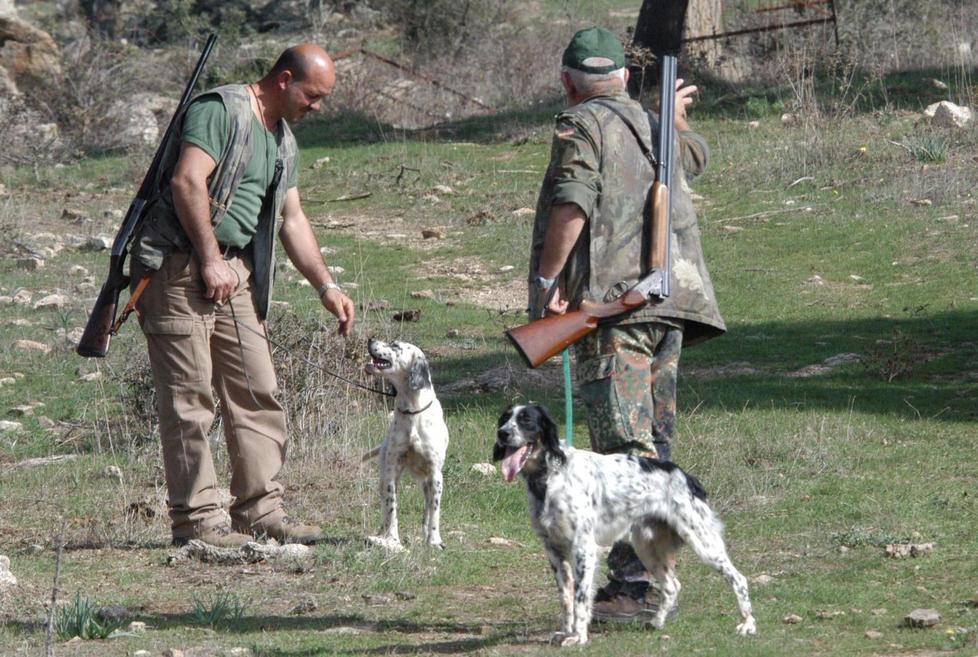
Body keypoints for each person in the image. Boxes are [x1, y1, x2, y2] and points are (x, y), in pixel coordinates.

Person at [527, 27, 725, 622]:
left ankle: (635, 585)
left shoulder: (579, 124)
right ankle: (654, 580)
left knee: (623, 446)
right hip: (669, 303)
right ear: (624, 76)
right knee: (654, 443)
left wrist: (546, 283)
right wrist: (675, 122)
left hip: (617, 306)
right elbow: (696, 159)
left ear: (568, 82)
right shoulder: (652, 122)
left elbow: (573, 200)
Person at [130, 44, 356, 548]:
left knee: (257, 391)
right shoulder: (221, 110)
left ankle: (261, 512)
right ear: (284, 79)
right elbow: (188, 180)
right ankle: (198, 524)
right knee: (190, 401)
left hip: (235, 273)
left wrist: (327, 285)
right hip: (179, 267)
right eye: (312, 95)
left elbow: (292, 219)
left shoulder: (283, 141)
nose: (315, 106)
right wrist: (210, 258)